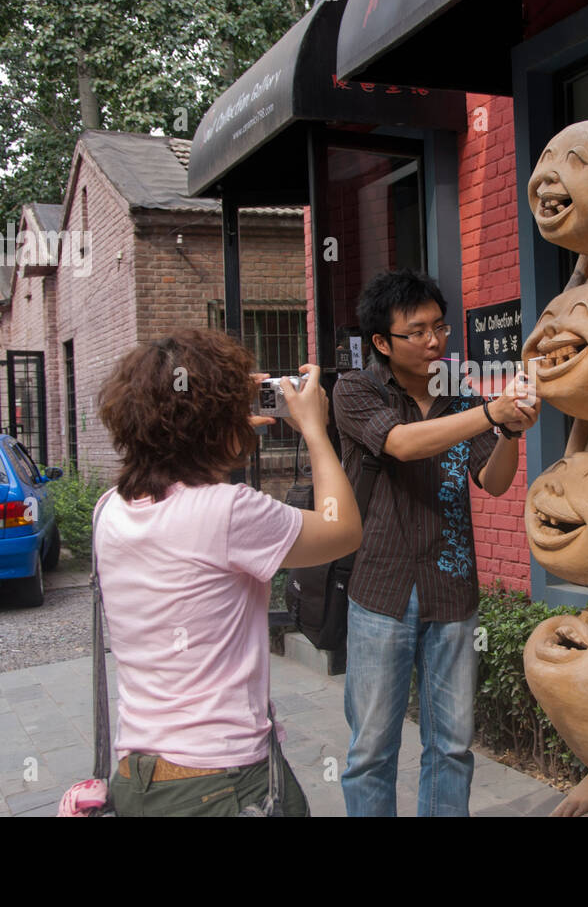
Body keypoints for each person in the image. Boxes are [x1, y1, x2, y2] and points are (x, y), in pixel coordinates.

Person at [94, 327, 361, 816]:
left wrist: (221, 424)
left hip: (139, 778)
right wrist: (316, 430)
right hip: (221, 783)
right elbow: (341, 529)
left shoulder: (109, 509)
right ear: (215, 423)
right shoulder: (226, 512)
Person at [333, 271, 540, 816]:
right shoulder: (357, 390)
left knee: (451, 747)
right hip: (380, 590)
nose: (434, 342)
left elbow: (492, 481)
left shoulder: (461, 395)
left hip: (452, 592)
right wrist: (492, 412)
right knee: (372, 748)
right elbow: (401, 445)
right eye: (417, 331)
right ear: (382, 342)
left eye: (440, 328)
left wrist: (511, 434)